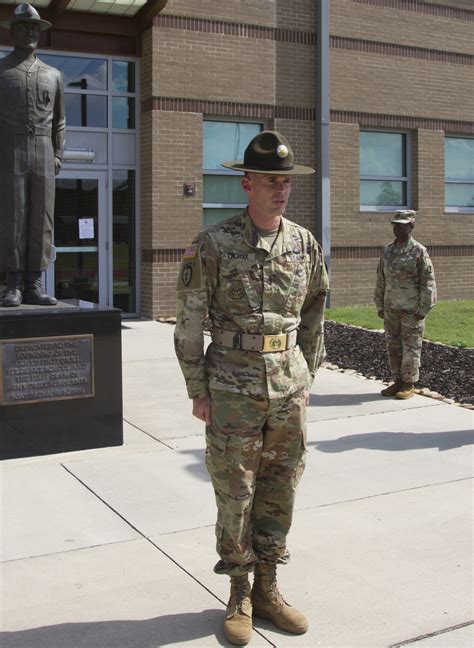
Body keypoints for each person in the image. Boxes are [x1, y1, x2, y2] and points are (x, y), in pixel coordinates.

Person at [174, 130, 329, 645]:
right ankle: (239, 590)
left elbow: (314, 313)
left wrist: (308, 375)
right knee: (235, 491)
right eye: (270, 181)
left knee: (280, 488)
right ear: (247, 184)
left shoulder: (303, 243)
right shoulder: (214, 243)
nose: (281, 190)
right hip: (232, 388)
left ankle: (269, 586)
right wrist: (198, 389)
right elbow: (190, 321)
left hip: (288, 388)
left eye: (285, 181)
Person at [0, 3, 65, 307]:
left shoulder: (53, 75)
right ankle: (12, 283)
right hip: (9, 149)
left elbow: (60, 120)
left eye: (34, 27)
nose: (30, 32)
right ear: (11, 31)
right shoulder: (1, 71)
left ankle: (34, 283)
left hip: (43, 149)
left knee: (42, 218)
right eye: (24, 26)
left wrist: (58, 155)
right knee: (12, 217)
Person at [374, 210, 437, 400]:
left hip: (412, 309)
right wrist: (379, 304)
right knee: (393, 345)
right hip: (391, 307)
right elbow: (381, 279)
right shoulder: (387, 250)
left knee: (411, 346)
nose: (397, 228)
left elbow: (428, 282)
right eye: (395, 224)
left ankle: (409, 382)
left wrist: (424, 308)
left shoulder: (419, 251)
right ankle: (397, 380)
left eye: (401, 224)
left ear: (411, 226)